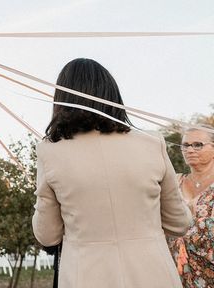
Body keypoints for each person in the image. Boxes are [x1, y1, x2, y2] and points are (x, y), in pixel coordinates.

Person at [32, 58, 191, 288]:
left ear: (62, 99)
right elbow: (179, 223)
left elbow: (47, 234)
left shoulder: (50, 152)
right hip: (154, 275)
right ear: (112, 94)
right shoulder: (152, 143)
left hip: (85, 277)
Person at [168, 127, 214, 287]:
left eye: (198, 144)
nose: (190, 150)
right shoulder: (173, 182)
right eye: (185, 145)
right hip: (177, 273)